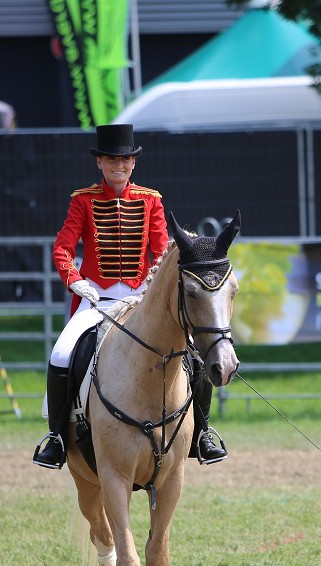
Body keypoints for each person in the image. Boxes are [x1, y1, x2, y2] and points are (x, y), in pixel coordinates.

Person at [33, 123, 228, 469]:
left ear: (133, 164)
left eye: (124, 159)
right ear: (100, 163)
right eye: (111, 159)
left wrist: (155, 290)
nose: (118, 165)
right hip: (96, 299)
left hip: (141, 299)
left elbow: (162, 249)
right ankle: (57, 438)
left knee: (195, 355)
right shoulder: (84, 200)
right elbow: (63, 247)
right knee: (62, 352)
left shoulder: (151, 201)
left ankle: (202, 432)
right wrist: (75, 280)